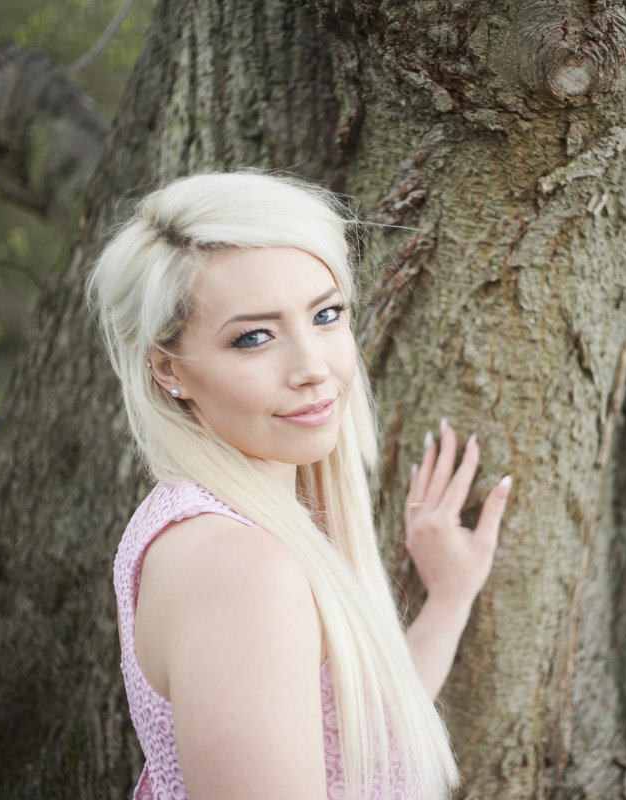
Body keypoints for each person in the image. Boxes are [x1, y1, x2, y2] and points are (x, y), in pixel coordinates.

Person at [87, 171, 511, 800]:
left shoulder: (238, 523)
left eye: (325, 314)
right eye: (254, 337)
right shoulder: (237, 565)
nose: (313, 368)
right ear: (168, 369)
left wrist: (447, 602)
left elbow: (351, 747)